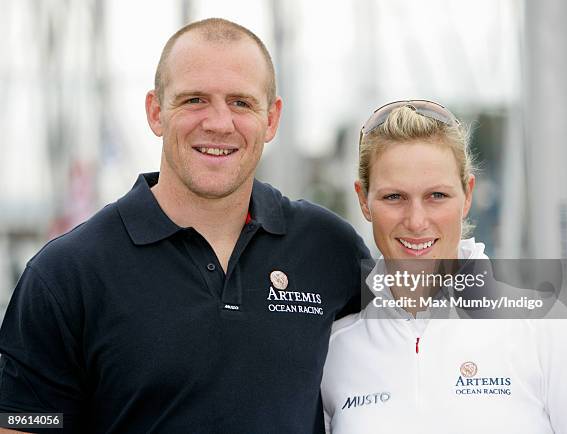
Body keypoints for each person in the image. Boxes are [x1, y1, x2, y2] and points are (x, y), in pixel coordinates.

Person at [0, 18, 371, 433]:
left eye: (241, 103)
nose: (218, 122)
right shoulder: (66, 274)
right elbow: (24, 425)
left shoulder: (329, 247)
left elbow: (429, 325)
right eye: (194, 100)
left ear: (271, 119)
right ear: (156, 112)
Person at [321, 100, 567, 433]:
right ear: (363, 200)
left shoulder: (550, 331)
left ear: (468, 194)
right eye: (394, 197)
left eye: (437, 196)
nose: (417, 221)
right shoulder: (334, 350)